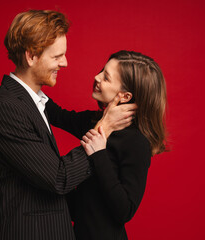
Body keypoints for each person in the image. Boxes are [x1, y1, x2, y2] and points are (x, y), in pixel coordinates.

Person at [0, 10, 136, 240]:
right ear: (31, 57)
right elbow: (59, 178)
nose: (65, 63)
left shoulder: (33, 102)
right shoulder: (6, 108)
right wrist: (106, 127)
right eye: (57, 56)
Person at [53, 50, 167, 240]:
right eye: (101, 71)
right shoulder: (95, 122)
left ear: (124, 96)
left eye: (105, 77)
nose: (96, 77)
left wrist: (99, 154)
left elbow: (125, 210)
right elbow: (56, 114)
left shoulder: (136, 143)